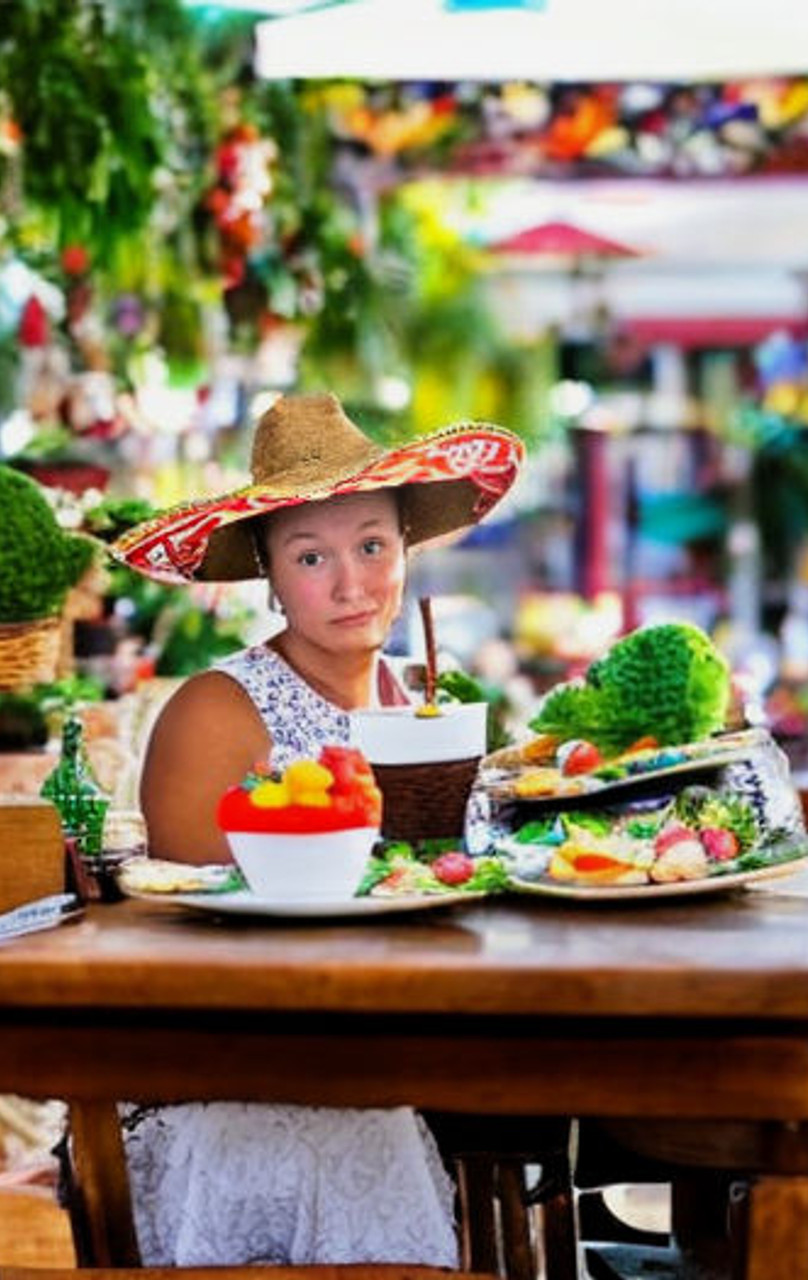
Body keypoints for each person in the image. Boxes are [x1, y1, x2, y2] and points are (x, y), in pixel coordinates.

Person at [108, 391, 523, 1267]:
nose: (350, 584)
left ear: (406, 548)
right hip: (225, 1080)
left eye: (372, 545)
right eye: (310, 556)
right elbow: (192, 943)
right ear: (267, 571)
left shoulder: (423, 704)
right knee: (367, 1141)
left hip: (402, 1052)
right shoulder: (216, 712)